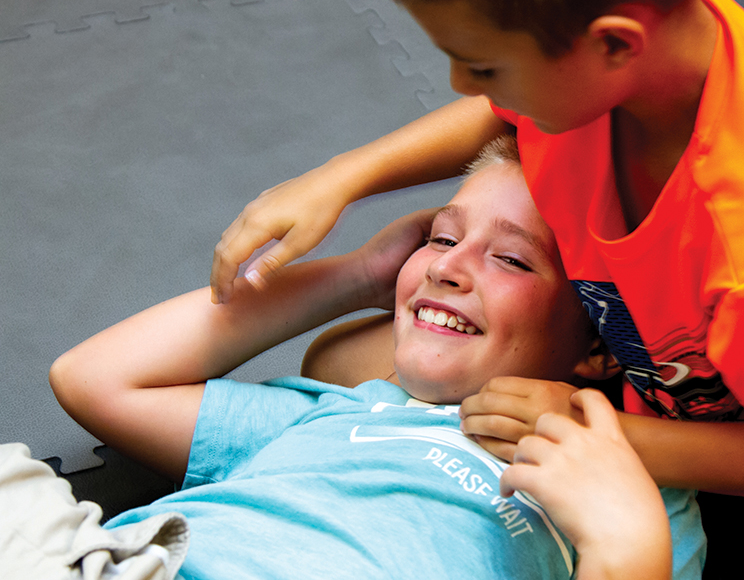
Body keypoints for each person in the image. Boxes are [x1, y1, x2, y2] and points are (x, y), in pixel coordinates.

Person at [207, 0, 744, 577]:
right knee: (340, 364)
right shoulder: (629, 58)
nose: (463, 84)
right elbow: (492, 113)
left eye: (484, 66)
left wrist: (604, 436)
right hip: (645, 389)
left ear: (615, 45)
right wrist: (345, 176)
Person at [40, 137, 704, 580]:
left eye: (510, 258)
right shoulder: (343, 413)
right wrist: (358, 274)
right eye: (442, 237)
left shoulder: (624, 484)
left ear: (598, 343)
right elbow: (94, 379)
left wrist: (625, 551)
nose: (446, 265)